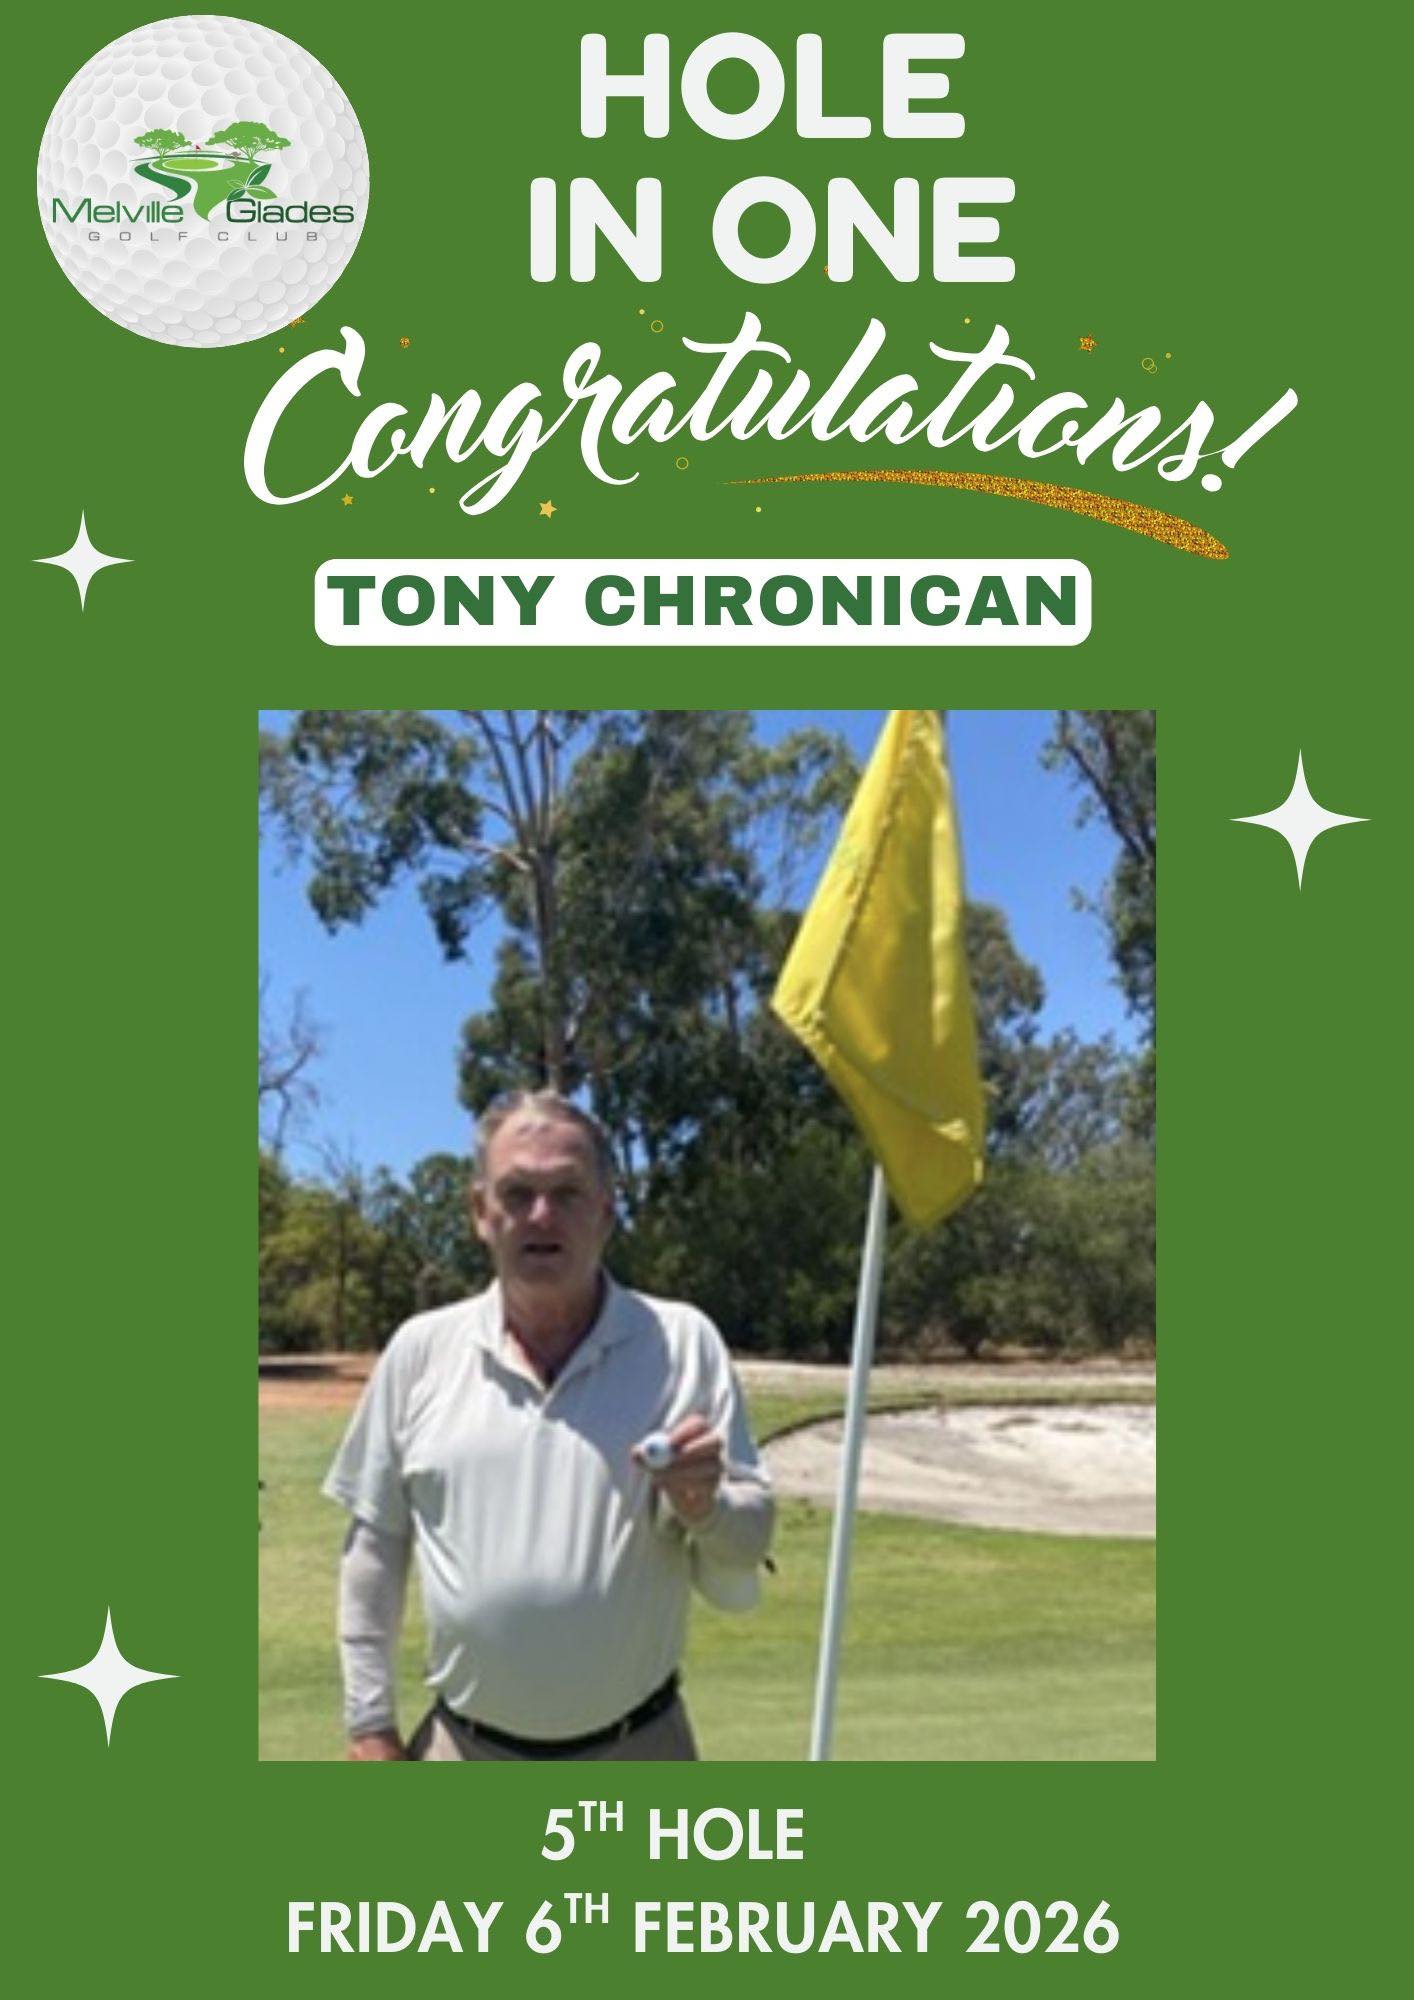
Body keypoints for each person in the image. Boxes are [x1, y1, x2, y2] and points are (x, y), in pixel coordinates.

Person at [323, 1089, 774, 1761]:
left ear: (606, 1211)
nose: (542, 1215)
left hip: (640, 1750)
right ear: (480, 1212)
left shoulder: (682, 1343)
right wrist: (369, 1723)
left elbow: (747, 1546)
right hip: (461, 1751)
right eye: (517, 1193)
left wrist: (706, 1507)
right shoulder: (420, 1351)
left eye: (567, 1192)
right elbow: (375, 1550)